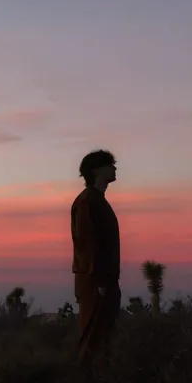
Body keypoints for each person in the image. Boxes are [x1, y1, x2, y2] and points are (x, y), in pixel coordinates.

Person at [71, 149, 121, 366]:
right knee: (92, 338)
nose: (114, 168)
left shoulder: (97, 200)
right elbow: (87, 244)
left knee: (104, 337)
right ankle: (85, 382)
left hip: (104, 280)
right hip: (94, 280)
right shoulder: (87, 202)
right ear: (95, 171)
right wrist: (100, 281)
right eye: (109, 164)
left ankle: (100, 381)